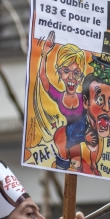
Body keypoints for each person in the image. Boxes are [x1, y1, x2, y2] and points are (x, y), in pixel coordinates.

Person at [37, 30, 87, 170]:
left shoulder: (84, 98)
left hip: (79, 135)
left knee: (76, 160)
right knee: (61, 138)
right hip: (66, 136)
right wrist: (45, 53)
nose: (71, 77)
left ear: (81, 76)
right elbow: (43, 77)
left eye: (76, 72)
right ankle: (63, 164)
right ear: (59, 72)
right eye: (66, 71)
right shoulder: (59, 97)